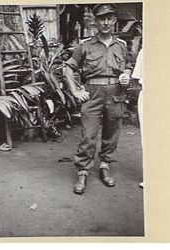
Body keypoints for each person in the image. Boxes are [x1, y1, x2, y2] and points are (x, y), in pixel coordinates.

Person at [65, 3, 132, 194]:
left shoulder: (121, 46)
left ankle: (105, 166)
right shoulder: (85, 45)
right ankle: (83, 171)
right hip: (93, 93)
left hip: (116, 93)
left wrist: (126, 74)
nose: (106, 22)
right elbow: (69, 67)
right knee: (88, 134)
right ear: (96, 21)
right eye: (102, 18)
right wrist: (75, 91)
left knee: (112, 133)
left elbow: (127, 65)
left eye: (109, 18)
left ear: (114, 21)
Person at [132, 48, 143, 188]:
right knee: (147, 137)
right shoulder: (144, 51)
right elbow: (137, 77)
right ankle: (151, 175)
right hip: (149, 93)